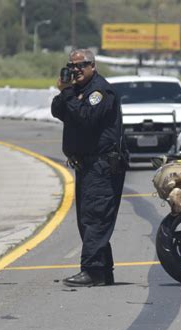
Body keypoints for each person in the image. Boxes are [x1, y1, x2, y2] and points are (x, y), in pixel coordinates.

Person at [51, 49, 127, 287]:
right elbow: (58, 111)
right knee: (89, 218)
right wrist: (65, 91)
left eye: (81, 66)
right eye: (72, 66)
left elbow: (86, 118)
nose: (76, 70)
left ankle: (92, 270)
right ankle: (103, 270)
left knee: (95, 217)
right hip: (87, 164)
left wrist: (70, 95)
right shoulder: (77, 91)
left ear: (92, 66)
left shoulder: (100, 91)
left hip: (102, 165)